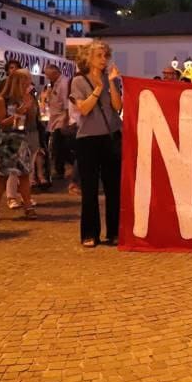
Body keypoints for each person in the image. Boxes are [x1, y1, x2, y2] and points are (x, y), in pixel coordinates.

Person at [70, 40, 123, 248]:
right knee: (90, 189)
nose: (104, 60)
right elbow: (84, 109)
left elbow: (118, 107)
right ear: (89, 58)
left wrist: (110, 83)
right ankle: (89, 233)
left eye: (105, 56)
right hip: (88, 140)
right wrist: (98, 89)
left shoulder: (110, 79)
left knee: (113, 188)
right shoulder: (78, 81)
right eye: (99, 56)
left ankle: (114, 232)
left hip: (111, 137)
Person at [0, 69, 38, 221]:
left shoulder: (27, 97)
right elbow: (1, 123)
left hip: (21, 139)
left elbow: (29, 121)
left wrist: (31, 109)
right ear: (18, 82)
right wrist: (17, 113)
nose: (28, 85)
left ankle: (28, 206)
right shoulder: (2, 99)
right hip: (7, 140)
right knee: (1, 178)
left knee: (24, 176)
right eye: (26, 82)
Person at [41, 64, 72, 183]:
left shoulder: (63, 83)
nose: (48, 78)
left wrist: (66, 120)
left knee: (58, 146)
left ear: (55, 73)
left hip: (61, 119)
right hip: (55, 118)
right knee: (62, 146)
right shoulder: (55, 84)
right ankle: (64, 167)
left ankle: (60, 170)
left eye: (49, 75)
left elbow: (66, 104)